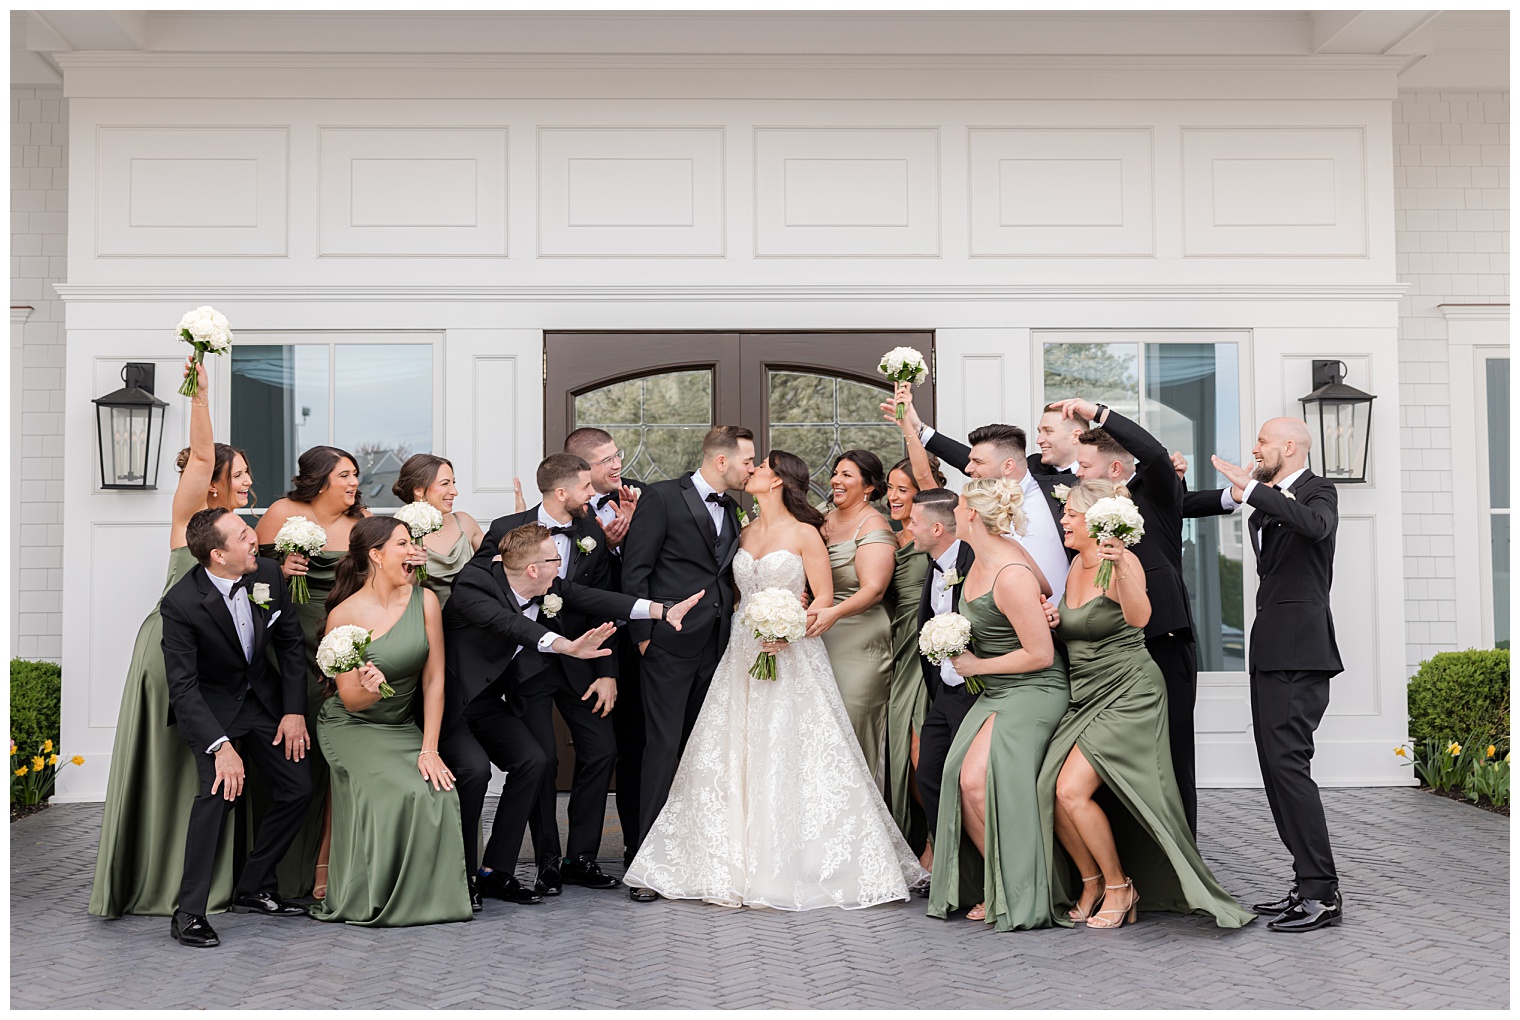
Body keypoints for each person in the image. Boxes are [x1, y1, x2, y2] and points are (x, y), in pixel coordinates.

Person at [623, 451, 927, 909]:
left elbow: (823, 596)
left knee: (789, 748)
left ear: (779, 480)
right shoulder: (742, 531)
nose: (752, 471)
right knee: (734, 748)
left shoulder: (806, 533)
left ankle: (796, 862)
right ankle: (724, 860)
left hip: (791, 651)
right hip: (742, 650)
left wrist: (789, 629)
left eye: (760, 467)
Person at [440, 524, 699, 910]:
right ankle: (461, 878)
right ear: (532, 569)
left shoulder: (548, 587)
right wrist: (566, 646)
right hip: (451, 703)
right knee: (475, 771)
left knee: (534, 761)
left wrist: (660, 611)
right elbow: (508, 623)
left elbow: (597, 598)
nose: (561, 566)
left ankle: (495, 871)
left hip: (490, 700)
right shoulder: (474, 584)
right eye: (555, 560)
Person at [1038, 479, 1253, 931]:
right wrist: (1055, 620)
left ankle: (1120, 887)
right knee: (1048, 789)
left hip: (1128, 692)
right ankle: (1092, 882)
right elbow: (1080, 627)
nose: (1063, 520)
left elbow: (1140, 618)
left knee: (1070, 791)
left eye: (1070, 514)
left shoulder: (1122, 561)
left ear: (1095, 521)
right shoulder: (1075, 564)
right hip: (1085, 694)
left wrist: (1119, 565)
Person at [91, 359, 256, 918]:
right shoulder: (192, 516)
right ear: (211, 482)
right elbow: (203, 456)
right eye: (239, 473)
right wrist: (200, 394)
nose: (247, 481)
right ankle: (161, 883)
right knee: (173, 764)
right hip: (172, 651)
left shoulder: (240, 534)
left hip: (222, 661)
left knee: (209, 769)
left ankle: (212, 881)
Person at [1050, 397, 1229, 836]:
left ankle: (1181, 850)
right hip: (1106, 655)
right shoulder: (1080, 512)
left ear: (1115, 468)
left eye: (1085, 466)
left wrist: (1097, 412)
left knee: (1171, 747)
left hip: (1161, 638)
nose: (1077, 473)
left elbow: (1152, 454)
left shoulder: (1159, 495)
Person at [1205, 419, 1344, 933]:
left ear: (1289, 446)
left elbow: (1315, 527)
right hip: (1269, 649)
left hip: (1301, 651)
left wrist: (1253, 490)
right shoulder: (1266, 501)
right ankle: (1306, 883)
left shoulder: (1318, 491)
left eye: (1263, 441)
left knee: (1288, 766)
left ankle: (1321, 893)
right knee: (1274, 768)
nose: (1255, 448)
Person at [306, 516, 471, 926]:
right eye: (402, 544)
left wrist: (429, 749)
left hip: (401, 726)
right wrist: (374, 688)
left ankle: (435, 897)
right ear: (376, 556)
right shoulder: (344, 615)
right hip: (352, 726)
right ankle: (379, 894)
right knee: (402, 791)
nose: (413, 550)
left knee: (439, 790)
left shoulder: (425, 601)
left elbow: (434, 679)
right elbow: (351, 699)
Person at [160, 508, 313, 948]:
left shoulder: (267, 573)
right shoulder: (181, 604)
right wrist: (220, 746)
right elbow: (183, 687)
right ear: (217, 555)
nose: (254, 540)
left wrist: (293, 711)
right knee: (218, 796)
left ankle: (254, 885)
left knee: (298, 787)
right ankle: (189, 912)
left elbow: (289, 646)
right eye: (244, 535)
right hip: (213, 708)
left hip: (261, 699)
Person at [473, 453, 625, 896]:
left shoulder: (591, 532)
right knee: (544, 762)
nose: (592, 493)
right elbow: (483, 587)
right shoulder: (506, 528)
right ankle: (548, 862)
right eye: (585, 487)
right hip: (526, 667)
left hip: (583, 665)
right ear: (561, 492)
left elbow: (602, 600)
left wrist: (608, 671)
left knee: (601, 750)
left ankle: (582, 858)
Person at [926, 479, 1070, 931]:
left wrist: (976, 665)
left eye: (958, 503)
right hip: (998, 690)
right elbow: (1046, 587)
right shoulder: (981, 558)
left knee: (975, 781)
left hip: (1033, 689)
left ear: (970, 514)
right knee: (958, 777)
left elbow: (1040, 655)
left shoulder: (1009, 572)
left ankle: (1021, 888)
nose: (953, 509)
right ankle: (998, 882)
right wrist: (1043, 606)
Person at [620, 425, 756, 901]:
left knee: (704, 753)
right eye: (747, 461)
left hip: (718, 647)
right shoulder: (661, 498)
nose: (751, 469)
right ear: (721, 461)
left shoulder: (735, 508)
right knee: (661, 749)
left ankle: (696, 856)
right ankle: (645, 864)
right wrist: (643, 638)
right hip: (667, 645)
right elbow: (635, 570)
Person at [254, 445, 377, 900]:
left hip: (341, 644)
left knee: (336, 751)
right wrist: (279, 571)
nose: (354, 482)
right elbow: (250, 585)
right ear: (320, 480)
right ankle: (280, 870)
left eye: (355, 474)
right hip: (289, 648)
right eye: (345, 474)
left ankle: (329, 863)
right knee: (293, 754)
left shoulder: (362, 524)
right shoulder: (280, 513)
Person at [884, 387, 1068, 600]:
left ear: (1008, 466)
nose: (968, 468)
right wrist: (916, 428)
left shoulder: (1063, 489)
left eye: (977, 462)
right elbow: (926, 477)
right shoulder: (968, 510)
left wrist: (1095, 413)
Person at [564, 426, 646, 869]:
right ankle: (579, 857)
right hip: (581, 648)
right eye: (606, 461)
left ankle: (638, 848)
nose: (617, 466)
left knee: (635, 749)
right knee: (596, 752)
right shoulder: (564, 510)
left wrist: (623, 543)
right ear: (582, 468)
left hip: (636, 647)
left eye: (617, 455)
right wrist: (603, 547)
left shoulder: (640, 497)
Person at [814, 450, 897, 772]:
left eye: (847, 475)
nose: (836, 480)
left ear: (868, 486)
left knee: (851, 718)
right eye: (836, 473)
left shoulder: (873, 525)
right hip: (818, 632)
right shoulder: (820, 516)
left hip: (860, 634)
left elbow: (873, 590)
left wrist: (833, 613)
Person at [881, 442, 945, 852]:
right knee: (902, 751)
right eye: (890, 488)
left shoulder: (938, 534)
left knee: (923, 750)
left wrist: (911, 430)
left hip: (930, 645)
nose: (893, 496)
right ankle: (923, 838)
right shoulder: (888, 537)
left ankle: (939, 845)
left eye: (902, 489)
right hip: (898, 647)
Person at [392, 454, 485, 608]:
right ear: (419, 490)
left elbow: (496, 566)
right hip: (424, 617)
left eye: (453, 483)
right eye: (445, 483)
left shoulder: (465, 522)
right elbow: (396, 595)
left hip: (471, 615)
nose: (454, 491)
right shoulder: (399, 534)